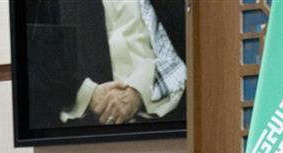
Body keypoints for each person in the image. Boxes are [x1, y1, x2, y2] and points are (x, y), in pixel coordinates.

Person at [26, 0, 186, 129]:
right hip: (78, 132)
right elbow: (35, 58)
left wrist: (139, 91)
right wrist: (88, 94)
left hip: (162, 122)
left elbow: (182, 49)